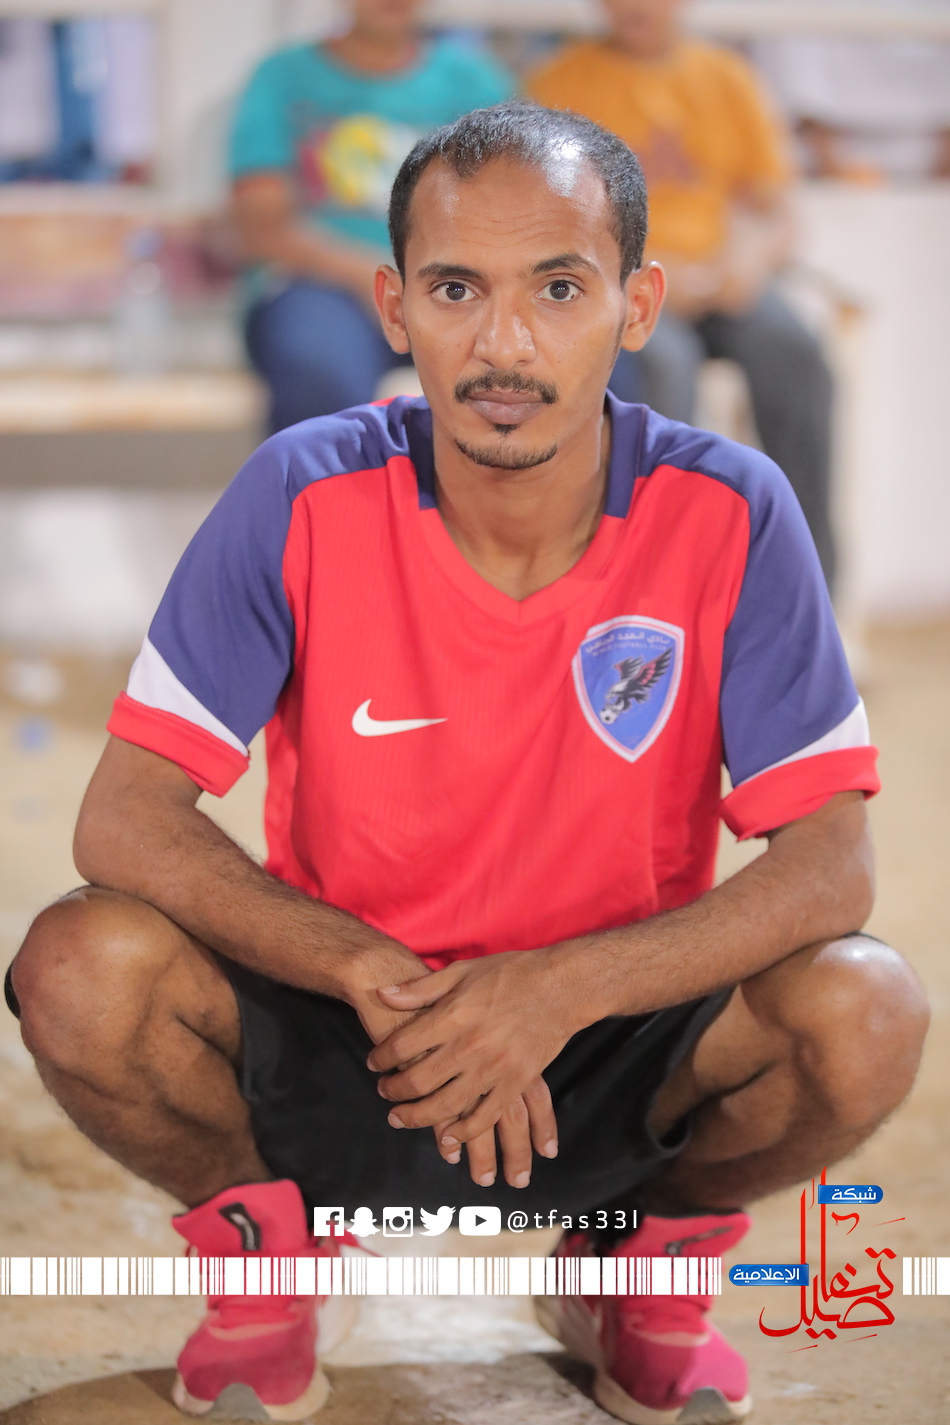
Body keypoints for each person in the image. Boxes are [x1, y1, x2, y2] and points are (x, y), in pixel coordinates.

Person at [7, 102, 928, 1425]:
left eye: (557, 288)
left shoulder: (730, 508)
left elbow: (830, 861)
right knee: (82, 966)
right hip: (352, 1035)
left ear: (633, 305)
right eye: (455, 289)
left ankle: (626, 1264)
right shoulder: (300, 490)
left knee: (862, 1009)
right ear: (394, 307)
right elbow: (126, 819)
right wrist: (367, 973)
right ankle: (274, 1256)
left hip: (609, 1044)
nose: (503, 344)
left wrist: (558, 989)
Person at [528, 0, 837, 586]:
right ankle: (664, 573)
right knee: (660, 364)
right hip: (621, 282)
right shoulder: (558, 83)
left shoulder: (728, 78)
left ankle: (807, 577)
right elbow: (546, 219)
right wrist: (641, 271)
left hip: (722, 278)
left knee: (796, 353)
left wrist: (747, 262)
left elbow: (779, 211)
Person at [230, 0, 512, 433]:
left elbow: (515, 213)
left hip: (453, 289)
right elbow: (262, 227)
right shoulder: (282, 78)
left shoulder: (476, 83)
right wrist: (370, 275)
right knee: (318, 378)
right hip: (319, 290)